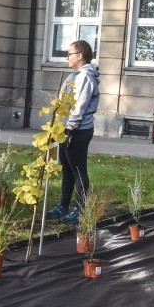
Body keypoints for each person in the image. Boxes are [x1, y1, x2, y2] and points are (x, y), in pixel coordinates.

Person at [46, 40, 101, 225]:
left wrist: (70, 128)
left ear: (79, 56)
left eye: (69, 54)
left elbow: (79, 105)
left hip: (77, 130)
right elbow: (63, 103)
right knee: (67, 170)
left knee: (78, 171)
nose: (67, 57)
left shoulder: (85, 77)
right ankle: (64, 205)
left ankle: (81, 209)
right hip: (65, 129)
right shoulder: (73, 76)